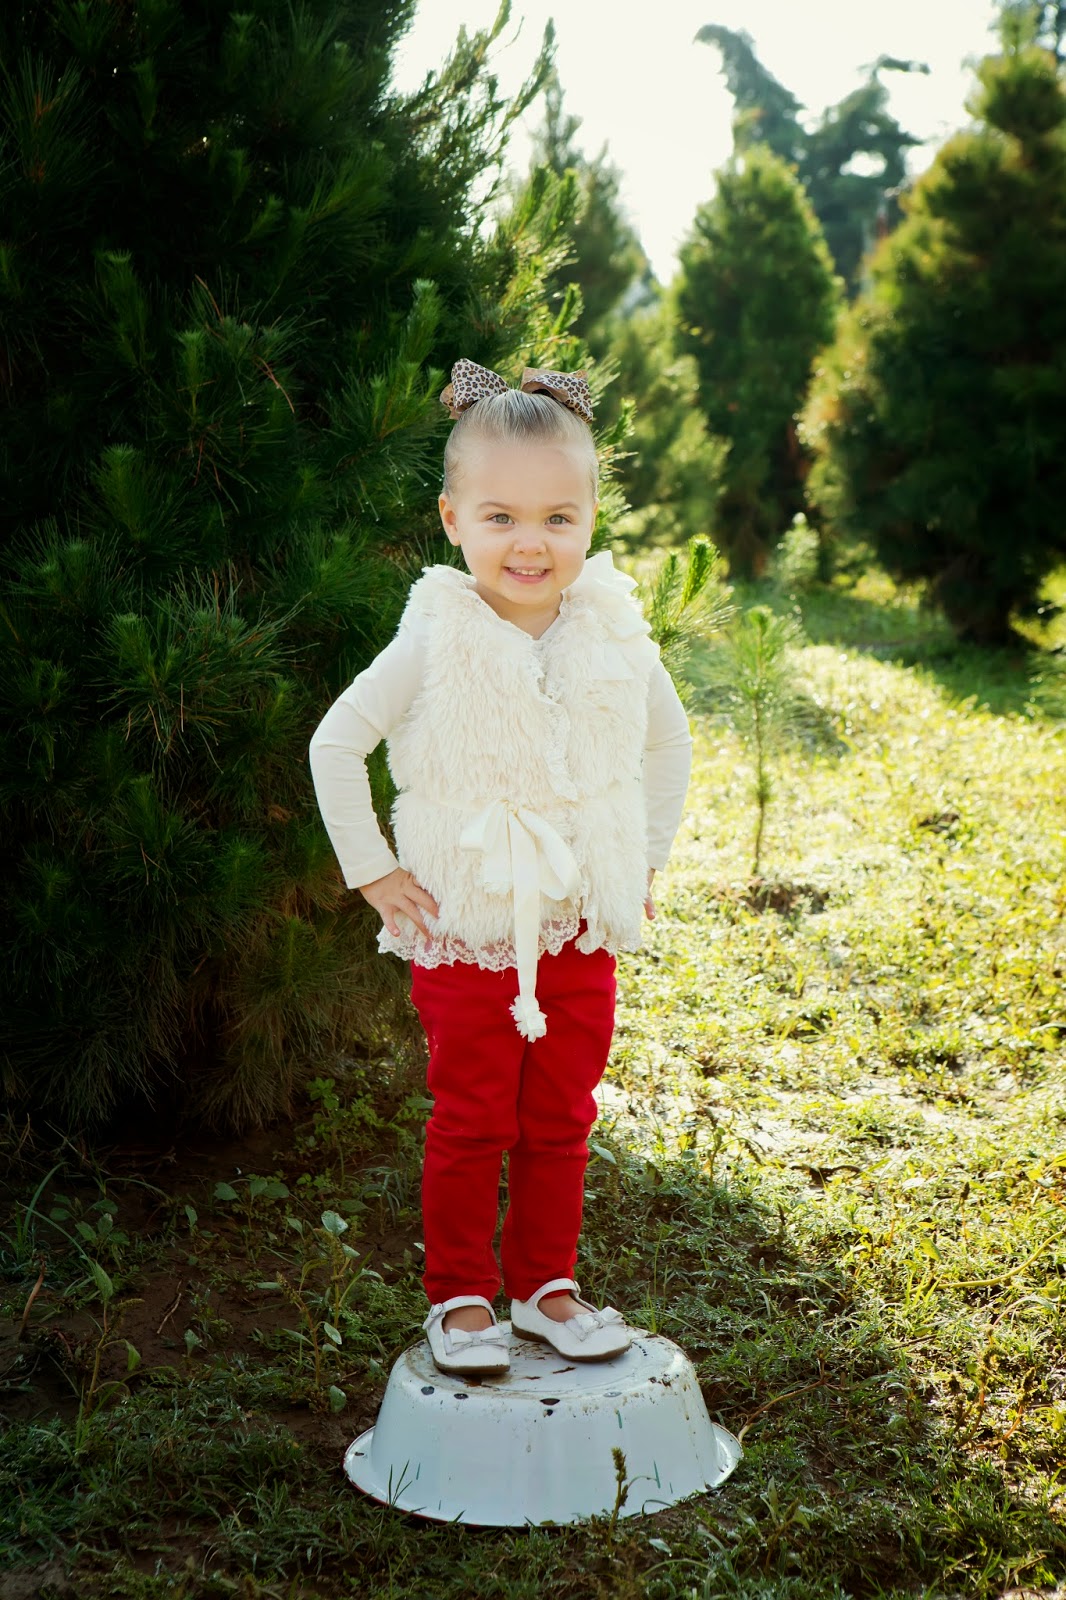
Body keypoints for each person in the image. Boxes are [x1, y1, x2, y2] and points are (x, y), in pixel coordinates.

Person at [309, 357, 692, 1376]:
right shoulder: (434, 639)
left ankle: (546, 1287)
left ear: (593, 518)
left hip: (576, 922)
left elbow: (669, 743)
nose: (531, 543)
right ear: (453, 519)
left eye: (559, 518)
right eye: (502, 517)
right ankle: (462, 1296)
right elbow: (336, 743)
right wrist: (373, 871)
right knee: (475, 1116)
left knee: (561, 1115)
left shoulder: (613, 632)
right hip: (468, 924)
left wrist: (639, 859)